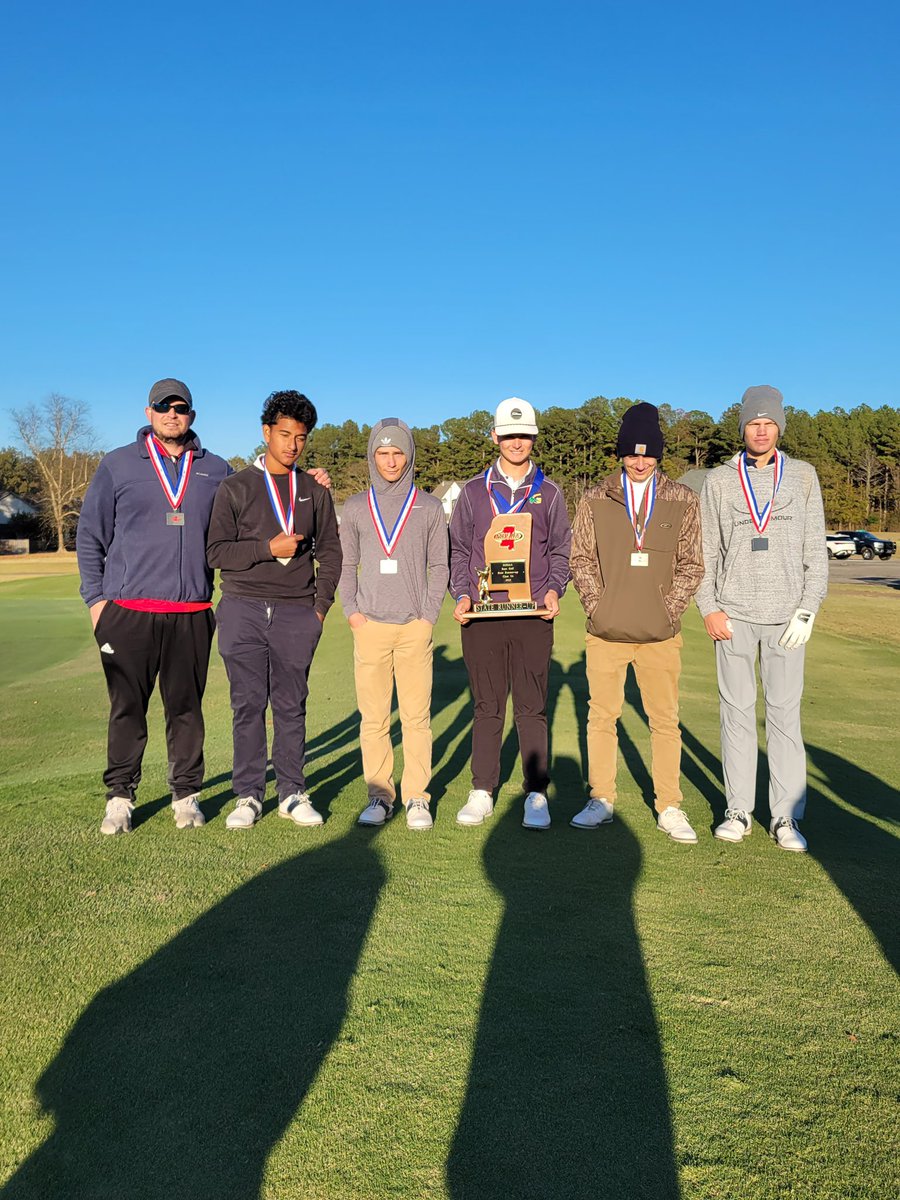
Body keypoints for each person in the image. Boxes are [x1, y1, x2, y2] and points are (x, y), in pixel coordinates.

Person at [76, 379, 231, 835]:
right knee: (127, 709)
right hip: (127, 612)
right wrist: (95, 602)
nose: (172, 414)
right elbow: (91, 536)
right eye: (163, 407)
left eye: (181, 408)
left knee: (186, 710)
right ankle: (120, 798)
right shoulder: (118, 465)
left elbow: (253, 505)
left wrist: (312, 479)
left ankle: (186, 797)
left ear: (192, 416)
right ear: (149, 412)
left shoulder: (216, 469)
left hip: (191, 613)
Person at [695, 386, 828, 852]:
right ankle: (738, 810)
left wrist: (808, 608)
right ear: (743, 427)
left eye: (770, 422)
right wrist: (708, 606)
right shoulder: (718, 479)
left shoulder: (804, 477)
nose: (762, 430)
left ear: (780, 427)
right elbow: (704, 552)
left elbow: (816, 551)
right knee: (735, 715)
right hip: (733, 616)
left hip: (786, 619)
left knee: (785, 718)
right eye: (754, 422)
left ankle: (786, 817)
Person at [206, 391, 342, 829]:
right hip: (242, 606)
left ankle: (292, 792)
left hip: (296, 611)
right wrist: (268, 548)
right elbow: (216, 552)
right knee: (247, 705)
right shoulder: (236, 487)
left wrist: (318, 610)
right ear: (266, 432)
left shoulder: (313, 490)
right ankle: (248, 795)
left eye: (301, 438)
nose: (292, 445)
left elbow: (333, 553)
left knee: (291, 704)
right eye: (284, 434)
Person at [569, 403, 704, 842]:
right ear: (621, 454)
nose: (640, 461)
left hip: (659, 635)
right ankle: (601, 799)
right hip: (606, 632)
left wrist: (668, 609)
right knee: (601, 717)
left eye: (648, 453)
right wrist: (598, 606)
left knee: (664, 720)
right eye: (631, 453)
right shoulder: (594, 498)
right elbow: (581, 559)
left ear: (659, 454)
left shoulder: (682, 498)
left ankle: (669, 805)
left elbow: (692, 565)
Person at [449, 398, 572, 829]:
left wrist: (555, 589)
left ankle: (535, 793)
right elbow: (459, 550)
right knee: (486, 706)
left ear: (533, 438)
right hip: (483, 614)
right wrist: (461, 596)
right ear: (495, 437)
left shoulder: (551, 492)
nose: (516, 442)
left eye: (524, 435)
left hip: (533, 613)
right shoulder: (471, 492)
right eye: (508, 434)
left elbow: (560, 552)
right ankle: (482, 789)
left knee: (532, 706)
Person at [338, 419, 449, 830]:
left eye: (397, 452)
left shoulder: (429, 507)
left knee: (417, 718)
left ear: (409, 456)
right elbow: (347, 565)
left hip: (412, 628)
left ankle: (417, 797)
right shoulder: (353, 507)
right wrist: (352, 612)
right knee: (374, 719)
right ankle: (380, 795)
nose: (390, 460)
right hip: (369, 627)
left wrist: (427, 617)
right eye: (382, 453)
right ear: (372, 456)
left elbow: (440, 566)